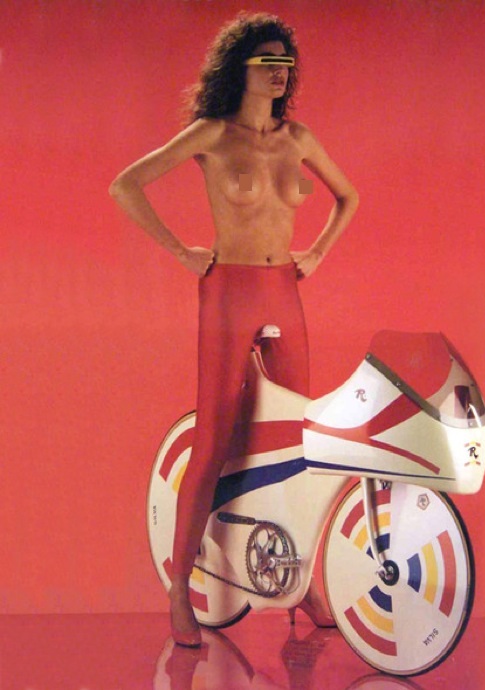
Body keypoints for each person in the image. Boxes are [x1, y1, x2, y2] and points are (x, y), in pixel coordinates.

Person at [110, 12, 359, 648]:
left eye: (285, 64)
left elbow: (348, 197)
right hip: (229, 292)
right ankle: (179, 588)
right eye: (267, 62)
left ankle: (301, 583)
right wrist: (181, 251)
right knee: (216, 435)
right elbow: (126, 185)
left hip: (283, 290)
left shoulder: (298, 138)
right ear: (239, 69)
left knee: (296, 439)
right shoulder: (212, 134)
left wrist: (318, 253)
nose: (280, 74)